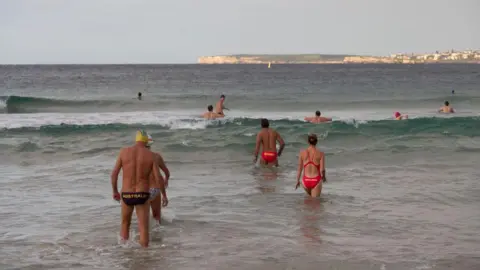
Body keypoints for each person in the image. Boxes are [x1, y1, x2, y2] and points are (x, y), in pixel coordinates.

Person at [111, 130, 168, 248]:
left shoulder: (123, 152)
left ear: (136, 140)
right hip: (142, 194)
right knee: (143, 228)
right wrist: (164, 195)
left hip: (126, 194)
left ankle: (124, 251)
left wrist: (115, 191)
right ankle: (144, 256)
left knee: (125, 224)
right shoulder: (151, 155)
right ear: (147, 141)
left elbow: (114, 174)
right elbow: (158, 178)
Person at [146, 134, 170, 224]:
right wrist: (166, 180)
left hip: (140, 191)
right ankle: (158, 236)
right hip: (154, 190)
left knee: (143, 217)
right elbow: (166, 173)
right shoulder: (156, 156)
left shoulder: (136, 157)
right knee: (157, 216)